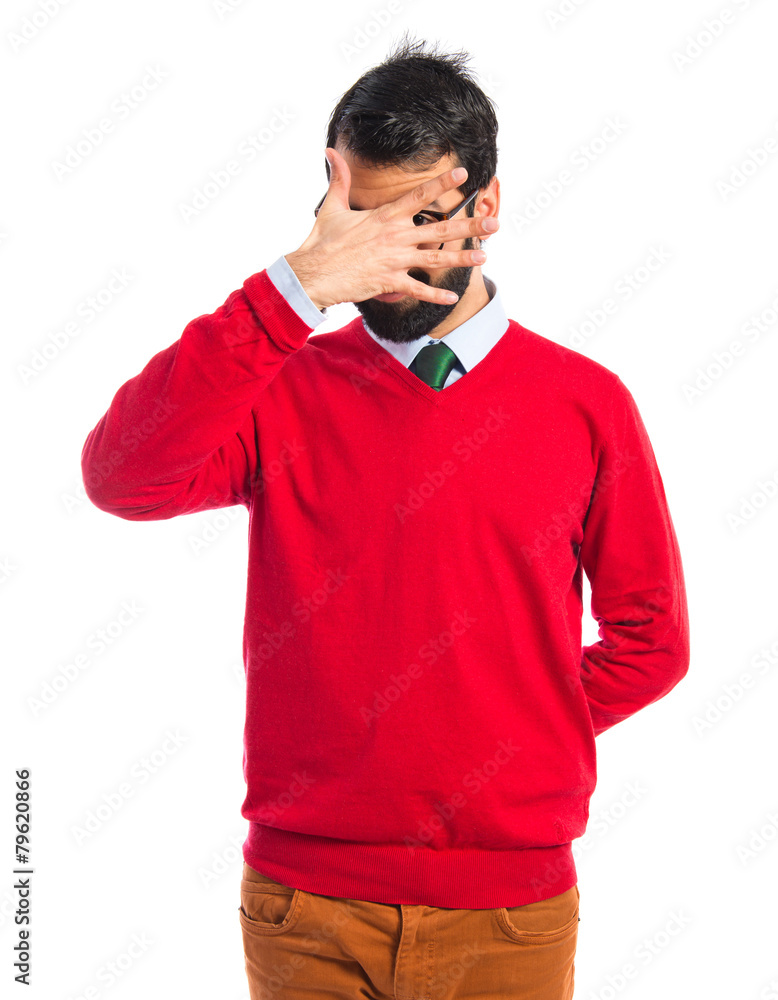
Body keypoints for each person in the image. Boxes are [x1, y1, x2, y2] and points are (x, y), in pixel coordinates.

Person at [81, 34, 690, 1000]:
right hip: (303, 904)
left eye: (421, 219)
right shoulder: (280, 384)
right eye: (362, 220)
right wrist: (294, 289)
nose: (388, 254)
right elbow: (124, 478)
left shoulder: (587, 403)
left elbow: (651, 641)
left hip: (508, 909)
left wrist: (510, 732)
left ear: (487, 205)